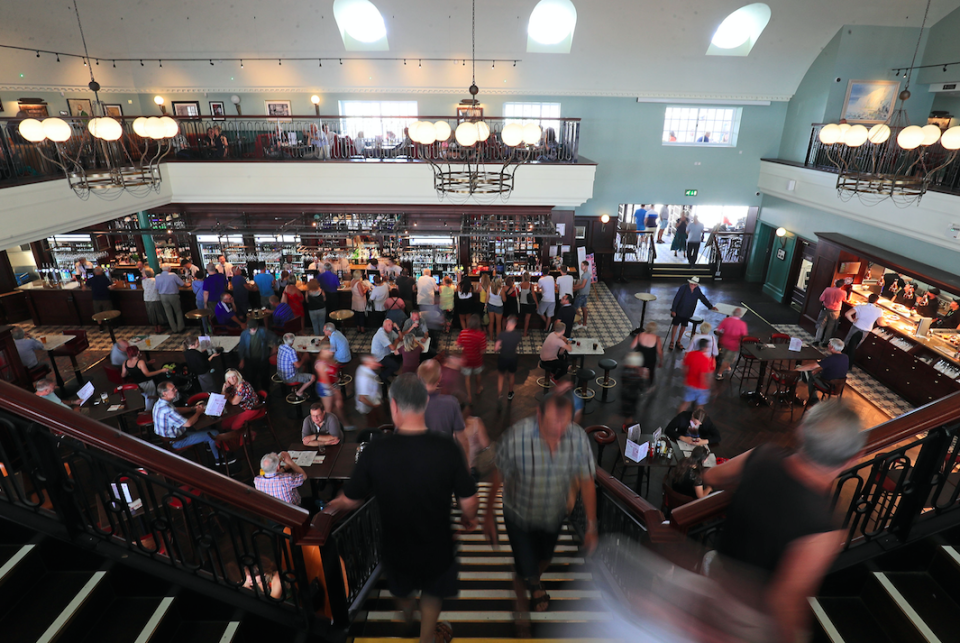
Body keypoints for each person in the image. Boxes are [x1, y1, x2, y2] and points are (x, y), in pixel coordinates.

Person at [327, 374, 478, 643]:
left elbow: (351, 499)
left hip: (396, 544)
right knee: (432, 591)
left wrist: (332, 506)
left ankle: (407, 615)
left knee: (401, 587)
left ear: (393, 405)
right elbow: (468, 500)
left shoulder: (376, 450)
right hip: (437, 543)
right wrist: (469, 518)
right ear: (425, 404)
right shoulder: (447, 448)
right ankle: (426, 638)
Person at [702, 401, 865, 642]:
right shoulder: (824, 530)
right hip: (747, 617)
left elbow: (712, 476)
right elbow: (784, 602)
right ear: (854, 458)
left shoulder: (762, 455)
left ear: (801, 431)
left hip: (716, 579)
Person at [484, 394, 597, 616]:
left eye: (565, 422)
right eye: (554, 421)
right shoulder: (516, 437)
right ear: (539, 415)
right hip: (519, 515)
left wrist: (591, 525)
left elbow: (586, 481)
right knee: (523, 564)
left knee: (545, 557)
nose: (559, 429)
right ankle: (521, 604)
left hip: (553, 514)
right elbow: (497, 475)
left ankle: (534, 581)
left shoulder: (577, 437)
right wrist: (488, 515)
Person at [153, 381, 220, 461]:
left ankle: (209, 445)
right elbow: (188, 424)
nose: (176, 390)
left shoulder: (160, 403)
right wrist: (198, 413)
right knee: (214, 433)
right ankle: (219, 459)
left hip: (170, 437)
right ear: (165, 393)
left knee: (205, 427)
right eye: (173, 389)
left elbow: (176, 410)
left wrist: (192, 408)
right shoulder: (168, 410)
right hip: (177, 440)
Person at [418, 359, 468, 449]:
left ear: (418, 377)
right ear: (440, 378)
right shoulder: (452, 403)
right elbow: (462, 439)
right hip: (444, 453)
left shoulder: (409, 403)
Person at [796, 338, 849, 406]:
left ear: (832, 347)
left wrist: (798, 369)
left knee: (810, 373)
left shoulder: (830, 359)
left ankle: (813, 399)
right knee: (814, 372)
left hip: (828, 385)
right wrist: (819, 369)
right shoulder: (845, 357)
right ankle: (806, 382)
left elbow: (812, 366)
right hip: (839, 386)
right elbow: (833, 366)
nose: (827, 345)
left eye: (829, 344)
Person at [668, 276, 716, 350]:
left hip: (688, 312)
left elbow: (703, 298)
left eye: (695, 284)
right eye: (692, 284)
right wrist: (673, 310)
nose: (693, 285)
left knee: (683, 326)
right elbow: (676, 298)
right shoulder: (683, 288)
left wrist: (710, 306)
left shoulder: (697, 290)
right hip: (679, 311)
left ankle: (678, 341)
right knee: (675, 325)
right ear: (689, 282)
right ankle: (672, 341)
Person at [123, 345, 171, 411]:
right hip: (147, 383)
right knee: (150, 399)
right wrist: (161, 370)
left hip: (137, 384)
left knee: (145, 397)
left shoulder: (125, 363)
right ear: (138, 352)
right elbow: (147, 374)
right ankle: (148, 412)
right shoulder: (140, 362)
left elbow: (123, 375)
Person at [238, 318, 277, 391]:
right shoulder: (244, 334)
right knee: (251, 377)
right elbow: (241, 347)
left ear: (257, 325)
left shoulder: (263, 331)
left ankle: (266, 392)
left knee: (264, 377)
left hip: (263, 358)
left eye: (254, 328)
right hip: (250, 359)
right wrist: (242, 359)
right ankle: (254, 392)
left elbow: (274, 336)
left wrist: (274, 346)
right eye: (251, 328)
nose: (252, 329)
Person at [456, 314, 487, 403]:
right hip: (477, 359)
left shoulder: (463, 332)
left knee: (467, 378)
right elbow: (483, 350)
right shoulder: (481, 335)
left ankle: (469, 396)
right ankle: (478, 389)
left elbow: (458, 345)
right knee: (478, 374)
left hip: (466, 359)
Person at [678, 338, 714, 414]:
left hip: (688, 383)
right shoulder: (706, 360)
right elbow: (703, 376)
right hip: (700, 387)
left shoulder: (690, 354)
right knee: (699, 408)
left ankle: (677, 420)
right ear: (705, 347)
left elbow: (684, 369)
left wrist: (686, 378)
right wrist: (707, 386)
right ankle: (694, 424)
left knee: (685, 403)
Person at [277, 333, 315, 399]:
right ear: (293, 341)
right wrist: (304, 357)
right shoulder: (291, 351)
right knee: (313, 377)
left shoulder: (281, 347)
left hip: (280, 374)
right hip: (289, 377)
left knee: (304, 367)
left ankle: (296, 387)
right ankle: (299, 392)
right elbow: (298, 365)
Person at [714, 307, 747, 380]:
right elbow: (743, 335)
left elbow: (718, 330)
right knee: (727, 359)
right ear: (740, 315)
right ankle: (719, 374)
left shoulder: (726, 320)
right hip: (733, 345)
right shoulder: (742, 324)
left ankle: (728, 367)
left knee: (726, 356)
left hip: (724, 342)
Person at [496, 316, 522, 402]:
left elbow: (495, 348)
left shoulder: (502, 334)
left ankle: (499, 395)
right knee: (511, 375)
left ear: (507, 323)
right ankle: (510, 393)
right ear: (514, 324)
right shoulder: (518, 335)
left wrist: (499, 348)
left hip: (503, 357)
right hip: (513, 358)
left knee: (501, 376)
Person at [814, 279, 847, 347]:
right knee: (830, 327)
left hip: (825, 309)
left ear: (835, 283)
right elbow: (844, 300)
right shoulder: (843, 292)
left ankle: (817, 341)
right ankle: (825, 342)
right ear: (843, 285)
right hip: (835, 311)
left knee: (821, 325)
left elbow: (821, 299)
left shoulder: (827, 289)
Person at [630, 321, 663, 388]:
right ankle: (649, 385)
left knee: (639, 369)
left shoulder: (639, 335)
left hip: (639, 358)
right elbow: (659, 352)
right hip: (650, 360)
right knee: (651, 372)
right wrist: (661, 361)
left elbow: (632, 346)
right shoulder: (657, 338)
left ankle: (638, 382)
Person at [355, 354, 383, 429]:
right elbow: (361, 398)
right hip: (368, 406)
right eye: (374, 362)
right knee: (371, 421)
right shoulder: (364, 379)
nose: (378, 364)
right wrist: (374, 406)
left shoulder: (362, 368)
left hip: (373, 400)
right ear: (366, 363)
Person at [372, 318, 404, 383]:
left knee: (401, 357)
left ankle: (389, 371)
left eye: (391, 324)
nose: (391, 326)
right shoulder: (381, 333)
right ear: (384, 327)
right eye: (388, 325)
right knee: (396, 366)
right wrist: (396, 341)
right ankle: (382, 376)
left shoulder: (391, 331)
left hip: (386, 353)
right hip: (379, 356)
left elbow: (400, 338)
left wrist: (397, 328)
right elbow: (392, 348)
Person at [155, 266, 186, 333]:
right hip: (173, 295)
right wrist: (188, 284)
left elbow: (156, 287)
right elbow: (182, 283)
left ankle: (174, 329)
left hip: (162, 296)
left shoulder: (157, 276)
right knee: (178, 311)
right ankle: (180, 328)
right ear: (169, 269)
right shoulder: (173, 275)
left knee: (168, 313)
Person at [86, 266, 114, 331]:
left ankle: (101, 327)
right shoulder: (104, 278)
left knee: (98, 313)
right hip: (105, 298)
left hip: (96, 298)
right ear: (101, 271)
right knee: (108, 312)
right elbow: (110, 287)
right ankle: (109, 325)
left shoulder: (91, 279)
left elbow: (84, 287)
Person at [141, 268, 164, 334]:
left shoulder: (143, 281)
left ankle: (155, 328)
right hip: (155, 298)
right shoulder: (155, 280)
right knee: (158, 313)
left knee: (151, 314)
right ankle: (159, 328)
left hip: (147, 299)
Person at [572, 261, 591, 329]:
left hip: (582, 294)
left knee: (574, 308)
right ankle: (584, 324)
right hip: (585, 293)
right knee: (584, 308)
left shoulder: (585, 275)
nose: (581, 267)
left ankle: (579, 323)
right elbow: (580, 284)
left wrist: (574, 288)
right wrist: (575, 286)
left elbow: (582, 286)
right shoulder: (585, 274)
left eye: (582, 265)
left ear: (586, 266)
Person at [518, 272, 538, 337]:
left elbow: (518, 293)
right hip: (529, 304)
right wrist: (537, 303)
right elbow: (534, 295)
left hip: (522, 303)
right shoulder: (531, 285)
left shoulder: (520, 284)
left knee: (521, 318)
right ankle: (525, 333)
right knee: (527, 319)